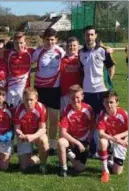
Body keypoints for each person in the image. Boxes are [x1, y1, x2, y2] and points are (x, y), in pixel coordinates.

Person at [79, 25, 116, 157]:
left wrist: (107, 83)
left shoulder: (103, 51)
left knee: (105, 120)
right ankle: (93, 149)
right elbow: (81, 72)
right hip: (87, 92)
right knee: (91, 121)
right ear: (84, 36)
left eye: (91, 34)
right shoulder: (81, 53)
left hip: (102, 91)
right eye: (87, 34)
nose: (89, 37)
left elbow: (111, 67)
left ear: (96, 36)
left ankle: (109, 148)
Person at [32, 28, 65, 155]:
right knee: (41, 119)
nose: (50, 42)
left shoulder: (60, 51)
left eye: (52, 39)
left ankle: (51, 145)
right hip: (40, 90)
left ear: (56, 40)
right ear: (43, 39)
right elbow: (27, 62)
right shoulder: (38, 52)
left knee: (53, 119)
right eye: (47, 39)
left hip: (54, 89)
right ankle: (41, 142)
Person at [57, 85, 94, 177]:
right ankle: (63, 168)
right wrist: (77, 142)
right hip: (72, 141)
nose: (75, 100)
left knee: (80, 169)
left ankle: (69, 155)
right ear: (69, 97)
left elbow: (93, 126)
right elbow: (63, 132)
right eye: (73, 97)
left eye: (77, 97)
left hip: (84, 142)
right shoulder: (66, 110)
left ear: (82, 97)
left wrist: (89, 139)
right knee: (61, 142)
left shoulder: (88, 109)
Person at [13, 87, 49, 174]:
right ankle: (36, 157)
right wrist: (21, 135)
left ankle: (42, 165)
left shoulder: (41, 108)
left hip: (36, 135)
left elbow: (43, 129)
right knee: (24, 167)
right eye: (26, 100)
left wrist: (32, 136)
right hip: (24, 136)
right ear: (23, 99)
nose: (28, 102)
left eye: (31, 100)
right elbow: (17, 129)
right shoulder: (18, 109)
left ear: (36, 99)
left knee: (44, 140)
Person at [97, 91, 128, 183]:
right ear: (103, 103)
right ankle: (105, 170)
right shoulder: (102, 115)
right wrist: (115, 139)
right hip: (110, 140)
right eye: (107, 102)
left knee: (117, 172)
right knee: (102, 142)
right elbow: (101, 133)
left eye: (111, 102)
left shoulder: (123, 113)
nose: (109, 105)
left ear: (117, 103)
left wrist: (123, 140)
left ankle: (111, 158)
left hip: (121, 142)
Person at [7, 32, 35, 108]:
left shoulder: (31, 52)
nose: (19, 45)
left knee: (23, 112)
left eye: (21, 43)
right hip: (11, 89)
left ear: (25, 42)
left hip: (24, 89)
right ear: (13, 43)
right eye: (16, 43)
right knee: (11, 111)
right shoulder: (9, 53)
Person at [59, 37, 82, 112]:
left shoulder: (81, 59)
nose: (72, 47)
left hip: (78, 93)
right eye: (70, 45)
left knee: (78, 114)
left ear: (78, 46)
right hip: (65, 92)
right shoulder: (61, 60)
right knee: (65, 115)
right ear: (67, 47)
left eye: (74, 45)